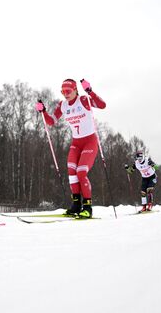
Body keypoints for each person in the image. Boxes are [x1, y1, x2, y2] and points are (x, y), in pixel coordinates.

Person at [35, 79, 106, 218]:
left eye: (68, 91)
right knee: (72, 172)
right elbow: (52, 121)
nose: (65, 94)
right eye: (63, 91)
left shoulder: (84, 100)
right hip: (76, 143)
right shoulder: (63, 105)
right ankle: (76, 205)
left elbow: (102, 105)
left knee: (81, 172)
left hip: (89, 142)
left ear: (75, 90)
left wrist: (90, 91)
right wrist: (43, 111)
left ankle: (87, 207)